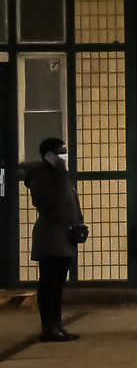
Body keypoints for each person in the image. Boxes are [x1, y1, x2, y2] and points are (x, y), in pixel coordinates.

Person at [15, 138, 85, 342]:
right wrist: (62, 173)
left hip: (63, 236)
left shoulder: (56, 174)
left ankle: (57, 324)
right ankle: (49, 327)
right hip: (51, 237)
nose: (64, 157)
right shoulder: (41, 176)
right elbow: (56, 200)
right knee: (50, 283)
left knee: (57, 283)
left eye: (65, 152)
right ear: (48, 155)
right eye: (59, 153)